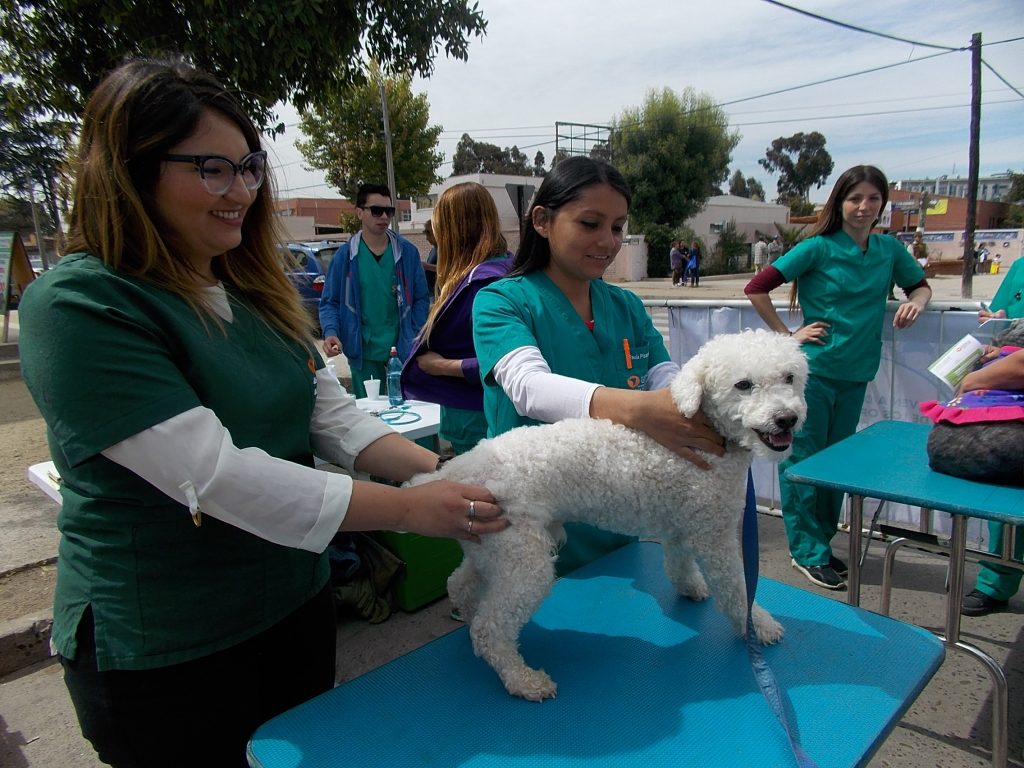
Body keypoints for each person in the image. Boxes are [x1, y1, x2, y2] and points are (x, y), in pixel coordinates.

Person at [15, 57, 506, 768]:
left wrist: (446, 472)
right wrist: (413, 511)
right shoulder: (81, 306)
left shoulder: (252, 292)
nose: (241, 190)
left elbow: (334, 420)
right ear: (129, 170)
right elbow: (214, 477)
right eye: (211, 168)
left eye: (248, 166)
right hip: (164, 649)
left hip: (288, 611)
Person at [473, 156, 725, 576]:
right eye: (590, 224)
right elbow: (529, 387)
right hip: (528, 516)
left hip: (617, 525)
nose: (608, 242)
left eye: (617, 227)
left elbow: (664, 375)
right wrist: (641, 410)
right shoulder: (501, 301)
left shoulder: (625, 305)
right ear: (541, 221)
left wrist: (704, 401)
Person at [744, 164, 932, 590]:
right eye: (854, 198)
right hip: (816, 372)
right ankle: (806, 550)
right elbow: (757, 286)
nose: (864, 207)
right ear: (839, 203)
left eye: (872, 198)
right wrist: (788, 336)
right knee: (804, 460)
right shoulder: (819, 247)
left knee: (837, 463)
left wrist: (916, 302)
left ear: (883, 203)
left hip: (858, 370)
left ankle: (822, 543)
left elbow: (919, 286)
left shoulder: (888, 251)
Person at [401, 182, 512, 455]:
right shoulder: (506, 267)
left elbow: (504, 364)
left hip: (478, 420)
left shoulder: (483, 285)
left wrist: (441, 366)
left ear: (454, 230)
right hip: (480, 416)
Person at [319, 183, 429, 398]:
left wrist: (414, 332)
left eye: (389, 211)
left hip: (403, 348)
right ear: (360, 212)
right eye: (376, 210)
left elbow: (421, 298)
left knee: (411, 412)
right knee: (372, 416)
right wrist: (331, 332)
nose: (384, 217)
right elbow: (330, 302)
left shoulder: (407, 253)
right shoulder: (345, 257)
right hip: (364, 351)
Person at [960, 264, 1024, 616]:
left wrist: (974, 381)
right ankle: (995, 582)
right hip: (1007, 402)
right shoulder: (1019, 268)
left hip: (1007, 381)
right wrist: (996, 322)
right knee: (1006, 499)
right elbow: (999, 321)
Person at [422, 218, 438, 296]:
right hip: (431, 292)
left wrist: (427, 266)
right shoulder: (434, 250)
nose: (427, 238)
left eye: (429, 234)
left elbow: (447, 269)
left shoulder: (445, 251)